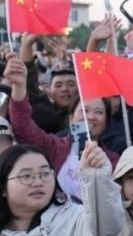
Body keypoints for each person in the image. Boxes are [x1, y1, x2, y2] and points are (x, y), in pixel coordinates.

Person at [5, 54, 121, 202]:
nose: (90, 117)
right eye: (84, 111)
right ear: (71, 118)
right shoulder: (54, 146)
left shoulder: (113, 161)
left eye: (99, 112)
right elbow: (23, 127)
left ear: (106, 121)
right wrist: (19, 86)